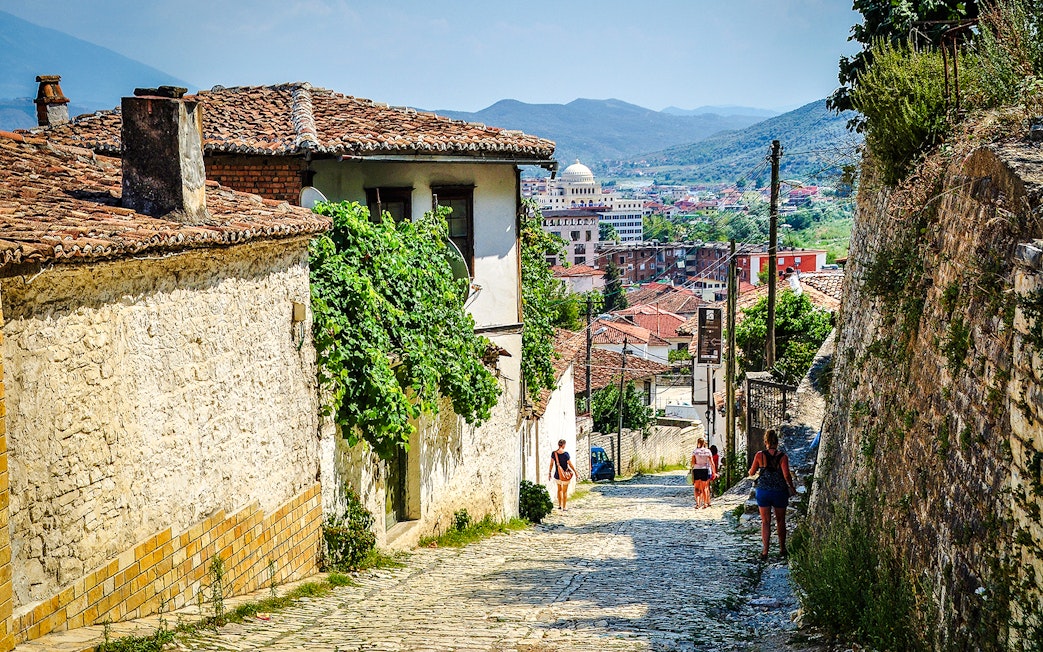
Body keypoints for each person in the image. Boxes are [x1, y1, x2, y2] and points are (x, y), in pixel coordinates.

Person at [748, 429, 797, 560]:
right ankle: (782, 549)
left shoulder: (759, 455)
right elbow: (786, 475)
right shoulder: (783, 457)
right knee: (781, 521)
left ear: (765, 442)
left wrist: (752, 470)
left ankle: (765, 552)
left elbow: (752, 472)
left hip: (763, 491)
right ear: (777, 442)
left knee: (765, 522)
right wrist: (792, 488)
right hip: (779, 492)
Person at [548, 439, 578, 511]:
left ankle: (559, 505)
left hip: (557, 475)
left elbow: (551, 464)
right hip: (565, 475)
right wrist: (575, 472)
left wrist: (549, 472)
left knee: (559, 489)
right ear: (563, 445)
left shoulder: (554, 453)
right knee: (565, 491)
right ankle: (564, 507)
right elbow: (570, 464)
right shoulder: (565, 454)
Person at [690, 437, 715, 508]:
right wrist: (714, 472)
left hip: (697, 470)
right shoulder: (708, 451)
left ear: (698, 442)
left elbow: (693, 462)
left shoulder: (695, 452)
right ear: (704, 443)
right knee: (704, 488)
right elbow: (712, 462)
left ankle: (698, 504)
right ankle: (705, 503)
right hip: (705, 469)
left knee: (697, 488)